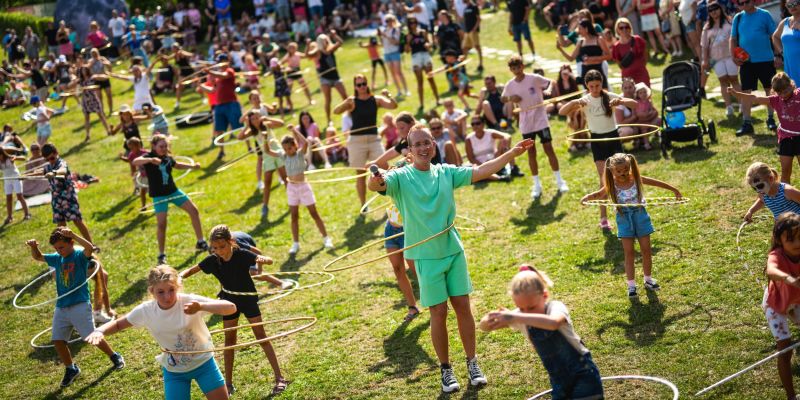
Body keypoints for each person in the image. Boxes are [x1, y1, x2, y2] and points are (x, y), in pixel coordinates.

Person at [367, 125, 535, 393]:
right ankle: (446, 369)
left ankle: (472, 362)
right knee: (438, 312)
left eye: (427, 142)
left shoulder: (445, 172)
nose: (423, 148)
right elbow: (378, 183)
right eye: (417, 144)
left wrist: (511, 154)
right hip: (425, 256)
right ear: (409, 150)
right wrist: (375, 180)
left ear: (434, 144)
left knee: (463, 307)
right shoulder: (400, 177)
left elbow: (481, 170)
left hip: (453, 251)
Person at [86, 265, 233, 399]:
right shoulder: (146, 311)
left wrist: (201, 306)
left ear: (178, 286)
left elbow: (231, 307)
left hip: (204, 364)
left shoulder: (190, 301)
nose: (167, 297)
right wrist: (100, 331)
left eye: (171, 290)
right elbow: (118, 324)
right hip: (174, 371)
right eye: (160, 292)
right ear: (152, 291)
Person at [179, 225, 291, 395]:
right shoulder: (213, 259)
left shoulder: (242, 255)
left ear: (231, 242)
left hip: (248, 299)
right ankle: (228, 384)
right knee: (229, 340)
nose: (219, 251)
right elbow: (192, 270)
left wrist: (264, 260)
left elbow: (265, 259)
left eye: (222, 247)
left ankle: (279, 378)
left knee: (261, 336)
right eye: (215, 248)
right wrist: (178, 276)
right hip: (228, 301)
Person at [479, 266, 603, 399]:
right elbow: (484, 326)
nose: (526, 312)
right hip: (558, 381)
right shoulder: (520, 316)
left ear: (545, 295)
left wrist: (515, 316)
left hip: (582, 374)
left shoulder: (555, 307)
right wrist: (492, 318)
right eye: (521, 308)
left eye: (531, 307)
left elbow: (553, 323)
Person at [26, 228, 125, 388]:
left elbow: (90, 248)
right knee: (58, 340)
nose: (59, 251)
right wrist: (34, 247)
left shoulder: (79, 256)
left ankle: (114, 356)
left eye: (62, 247)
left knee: (91, 337)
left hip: (79, 303)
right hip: (62, 306)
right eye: (57, 248)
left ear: (70, 243)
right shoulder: (58, 259)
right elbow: (38, 257)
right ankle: (71, 368)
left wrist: (73, 235)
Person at [581, 153, 682, 297]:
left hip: (640, 215)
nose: (623, 173)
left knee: (646, 250)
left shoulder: (635, 178)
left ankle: (648, 279)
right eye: (619, 171)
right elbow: (599, 194)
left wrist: (673, 189)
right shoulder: (611, 184)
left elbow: (656, 182)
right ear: (612, 170)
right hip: (624, 219)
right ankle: (631, 286)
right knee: (629, 253)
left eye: (626, 169)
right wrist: (587, 197)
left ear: (630, 166)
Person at [560, 70, 637, 230]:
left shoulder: (609, 97)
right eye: (591, 86)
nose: (595, 89)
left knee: (623, 176)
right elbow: (562, 111)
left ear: (602, 84)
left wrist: (620, 101)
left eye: (598, 85)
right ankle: (603, 217)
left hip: (613, 139)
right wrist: (575, 103)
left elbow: (634, 104)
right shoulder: (585, 100)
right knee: (604, 180)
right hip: (597, 141)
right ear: (587, 86)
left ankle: (627, 210)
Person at [132, 134, 208, 265]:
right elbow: (135, 162)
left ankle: (201, 241)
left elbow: (177, 165)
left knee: (194, 211)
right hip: (159, 196)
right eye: (161, 146)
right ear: (153, 146)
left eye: (165, 146)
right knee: (162, 225)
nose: (164, 148)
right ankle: (161, 255)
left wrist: (193, 166)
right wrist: (151, 161)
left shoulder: (167, 158)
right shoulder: (149, 157)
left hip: (173, 191)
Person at [502, 56, 568, 199]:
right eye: (513, 68)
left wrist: (548, 90)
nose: (516, 70)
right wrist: (510, 99)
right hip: (526, 123)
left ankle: (559, 180)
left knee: (548, 148)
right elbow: (503, 98)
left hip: (540, 119)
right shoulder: (510, 85)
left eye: (518, 67)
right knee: (531, 153)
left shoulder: (533, 78)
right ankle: (536, 184)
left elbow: (551, 81)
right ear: (511, 70)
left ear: (522, 66)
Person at [261, 127, 335, 255]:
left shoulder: (300, 154)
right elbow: (267, 151)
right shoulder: (283, 156)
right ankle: (295, 243)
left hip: (304, 187)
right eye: (285, 149)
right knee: (294, 216)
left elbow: (306, 143)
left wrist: (295, 132)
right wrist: (265, 137)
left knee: (314, 213)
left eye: (289, 148)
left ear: (295, 146)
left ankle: (326, 238)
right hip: (292, 188)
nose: (287, 151)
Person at [333, 75, 397, 207]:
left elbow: (393, 106)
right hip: (356, 141)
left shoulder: (376, 99)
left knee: (386, 168)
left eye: (363, 84)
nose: (361, 87)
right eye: (358, 85)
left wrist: (389, 95)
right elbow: (336, 111)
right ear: (355, 87)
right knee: (360, 173)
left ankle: (396, 199)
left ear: (367, 84)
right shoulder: (352, 101)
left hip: (374, 139)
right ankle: (363, 204)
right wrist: (345, 103)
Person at [759, 212, 800, 399]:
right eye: (791, 239)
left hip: (797, 301)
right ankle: (791, 396)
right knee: (785, 349)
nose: (797, 243)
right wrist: (788, 278)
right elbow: (771, 270)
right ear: (779, 240)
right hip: (776, 305)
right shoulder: (776, 255)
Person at [730, 73, 800, 183]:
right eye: (779, 93)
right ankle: (786, 198)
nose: (783, 95)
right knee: (785, 171)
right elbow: (755, 97)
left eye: (785, 91)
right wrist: (737, 94)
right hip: (786, 139)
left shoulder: (798, 94)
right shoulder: (776, 100)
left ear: (791, 85)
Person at [730, 0, 778, 135]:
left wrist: (778, 55)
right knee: (746, 92)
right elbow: (733, 39)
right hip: (746, 63)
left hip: (766, 60)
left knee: (770, 90)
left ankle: (770, 119)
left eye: (745, 2)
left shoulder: (765, 14)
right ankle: (747, 123)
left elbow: (773, 36)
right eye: (739, 3)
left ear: (752, 1)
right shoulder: (738, 17)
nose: (742, 5)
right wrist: (733, 56)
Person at [237, 108, 287, 219]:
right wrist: (246, 126)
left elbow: (282, 123)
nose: (255, 120)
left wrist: (267, 118)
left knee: (285, 178)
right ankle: (265, 206)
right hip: (267, 156)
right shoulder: (252, 131)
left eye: (257, 117)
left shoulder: (266, 124)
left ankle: (292, 199)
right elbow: (239, 137)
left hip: (277, 152)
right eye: (253, 119)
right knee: (267, 181)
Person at [702, 1, 741, 119]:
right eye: (711, 10)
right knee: (723, 81)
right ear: (708, 13)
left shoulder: (730, 22)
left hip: (730, 56)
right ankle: (728, 106)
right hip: (716, 58)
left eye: (716, 9)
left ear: (720, 9)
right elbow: (704, 46)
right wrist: (704, 60)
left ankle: (741, 104)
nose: (714, 12)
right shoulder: (707, 27)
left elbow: (737, 38)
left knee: (734, 80)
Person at [203, 54, 243, 160]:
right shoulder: (218, 77)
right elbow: (213, 90)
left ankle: (249, 146)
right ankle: (221, 151)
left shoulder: (229, 71)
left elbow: (224, 75)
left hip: (231, 103)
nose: (219, 63)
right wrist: (201, 86)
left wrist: (210, 72)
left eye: (221, 61)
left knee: (239, 125)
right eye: (218, 61)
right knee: (219, 129)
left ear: (227, 61)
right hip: (219, 105)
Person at [306, 32, 348, 123]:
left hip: (335, 77)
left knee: (345, 96)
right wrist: (307, 45)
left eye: (326, 40)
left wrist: (335, 35)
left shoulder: (331, 49)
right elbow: (308, 55)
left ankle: (350, 114)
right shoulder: (318, 52)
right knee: (328, 99)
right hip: (325, 78)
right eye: (324, 41)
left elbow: (340, 42)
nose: (326, 42)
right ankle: (329, 119)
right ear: (320, 42)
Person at [557, 19, 611, 87]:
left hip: (598, 70)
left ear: (586, 29)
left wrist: (593, 58)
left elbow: (609, 56)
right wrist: (561, 49)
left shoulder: (599, 39)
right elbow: (571, 58)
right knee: (588, 96)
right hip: (585, 72)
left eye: (580, 29)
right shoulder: (580, 41)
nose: (578, 31)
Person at [464, 116, 512, 182]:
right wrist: (482, 165)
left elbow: (507, 136)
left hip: (493, 160)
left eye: (477, 123)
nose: (475, 126)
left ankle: (512, 168)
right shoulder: (469, 139)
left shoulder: (490, 133)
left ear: (483, 124)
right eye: (473, 124)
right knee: (474, 169)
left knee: (502, 140)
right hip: (478, 164)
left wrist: (506, 146)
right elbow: (471, 158)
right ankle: (500, 178)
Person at [611, 18, 650, 87]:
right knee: (630, 97)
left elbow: (646, 54)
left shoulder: (638, 39)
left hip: (641, 73)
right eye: (621, 28)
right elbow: (619, 63)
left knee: (645, 96)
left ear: (630, 28)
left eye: (627, 27)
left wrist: (641, 65)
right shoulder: (616, 46)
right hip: (627, 77)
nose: (624, 29)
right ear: (617, 30)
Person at [379, 15, 410, 98]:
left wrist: (386, 36)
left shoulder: (396, 30)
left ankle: (406, 90)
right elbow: (382, 44)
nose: (388, 22)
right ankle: (399, 91)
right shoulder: (384, 30)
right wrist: (380, 36)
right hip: (386, 53)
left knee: (398, 72)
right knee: (392, 73)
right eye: (387, 21)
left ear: (393, 20)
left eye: (390, 20)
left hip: (394, 52)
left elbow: (396, 42)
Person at [772, 0, 800, 86]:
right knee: (794, 92)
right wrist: (781, 52)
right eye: (789, 5)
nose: (793, 6)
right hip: (790, 64)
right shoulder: (785, 22)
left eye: (796, 3)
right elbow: (775, 37)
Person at [1, 148, 30, 224]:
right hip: (7, 180)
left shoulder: (9, 157)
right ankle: (10, 217)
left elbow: (24, 158)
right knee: (8, 198)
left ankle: (27, 214)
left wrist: (15, 158)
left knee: (19, 196)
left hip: (16, 177)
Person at [461, 0, 483, 72]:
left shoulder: (474, 7)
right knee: (464, 48)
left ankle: (480, 64)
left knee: (477, 47)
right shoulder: (465, 8)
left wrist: (474, 28)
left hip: (473, 31)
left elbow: (479, 19)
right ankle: (463, 66)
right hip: (467, 32)